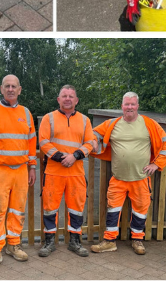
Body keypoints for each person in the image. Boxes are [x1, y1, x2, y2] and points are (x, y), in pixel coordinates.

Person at [89, 92, 166, 255]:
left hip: (140, 178)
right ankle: (109, 241)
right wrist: (93, 140)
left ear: (137, 106)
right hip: (118, 178)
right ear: (122, 106)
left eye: (132, 104)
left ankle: (137, 240)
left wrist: (156, 164)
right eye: (126, 104)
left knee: (140, 210)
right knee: (113, 210)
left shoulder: (149, 124)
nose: (129, 107)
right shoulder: (112, 124)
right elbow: (93, 133)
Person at [0, 75, 37, 271]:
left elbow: (31, 142)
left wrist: (32, 166)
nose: (10, 89)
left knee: (17, 210)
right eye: (7, 86)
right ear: (1, 89)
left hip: (21, 170)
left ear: (19, 90)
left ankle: (13, 245)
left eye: (14, 86)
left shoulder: (26, 113)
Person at [38, 85, 96, 258]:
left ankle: (75, 242)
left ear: (76, 100)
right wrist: (60, 157)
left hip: (76, 173)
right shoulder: (48, 118)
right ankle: (49, 242)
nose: (68, 99)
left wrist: (75, 156)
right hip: (53, 172)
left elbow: (90, 143)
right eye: (64, 96)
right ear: (59, 99)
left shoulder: (85, 120)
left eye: (71, 96)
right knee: (50, 208)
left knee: (76, 209)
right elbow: (43, 141)